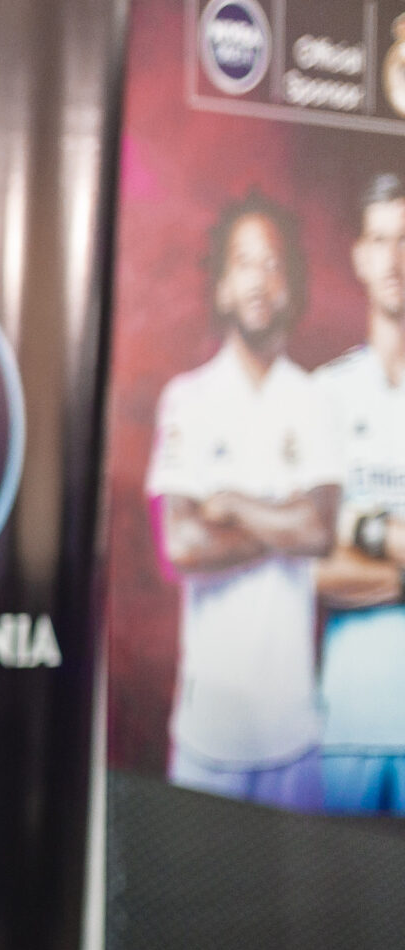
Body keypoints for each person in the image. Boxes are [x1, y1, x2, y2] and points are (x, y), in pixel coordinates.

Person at [147, 192, 339, 810]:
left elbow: (321, 532)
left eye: (272, 263)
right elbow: (182, 545)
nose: (259, 279)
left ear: (291, 285)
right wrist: (285, 521)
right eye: (244, 263)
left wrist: (232, 501)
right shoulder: (188, 399)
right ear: (223, 286)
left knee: (302, 879)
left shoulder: (315, 399)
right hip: (209, 735)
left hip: (295, 732)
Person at [316, 175, 405, 815]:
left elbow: (335, 546)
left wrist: (358, 529)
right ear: (359, 256)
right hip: (346, 724)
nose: (394, 260)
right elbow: (309, 570)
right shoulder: (325, 395)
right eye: (380, 241)